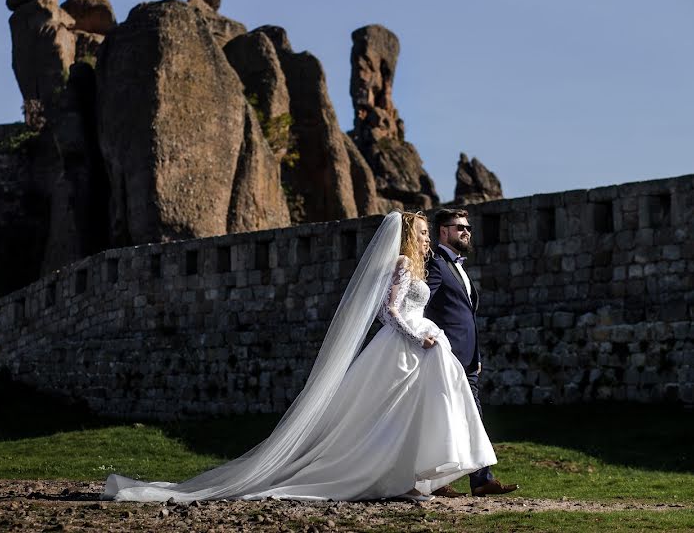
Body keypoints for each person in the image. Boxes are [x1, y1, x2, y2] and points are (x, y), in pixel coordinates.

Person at [102, 211, 496, 502]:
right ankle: (392, 476)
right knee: (387, 416)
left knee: (413, 412)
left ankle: (415, 477)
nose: (428, 240)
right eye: (425, 233)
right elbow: (388, 312)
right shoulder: (402, 264)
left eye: (430, 234)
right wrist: (416, 336)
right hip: (405, 346)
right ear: (411, 235)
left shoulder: (420, 267)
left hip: (420, 344)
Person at [424, 208, 518, 497]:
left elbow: (465, 316)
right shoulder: (437, 264)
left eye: (468, 228)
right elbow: (419, 303)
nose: (467, 232)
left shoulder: (458, 266)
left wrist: (476, 356)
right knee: (445, 417)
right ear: (444, 231)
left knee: (473, 415)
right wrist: (427, 337)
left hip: (468, 358)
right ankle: (438, 481)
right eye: (460, 227)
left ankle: (481, 479)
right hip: (446, 355)